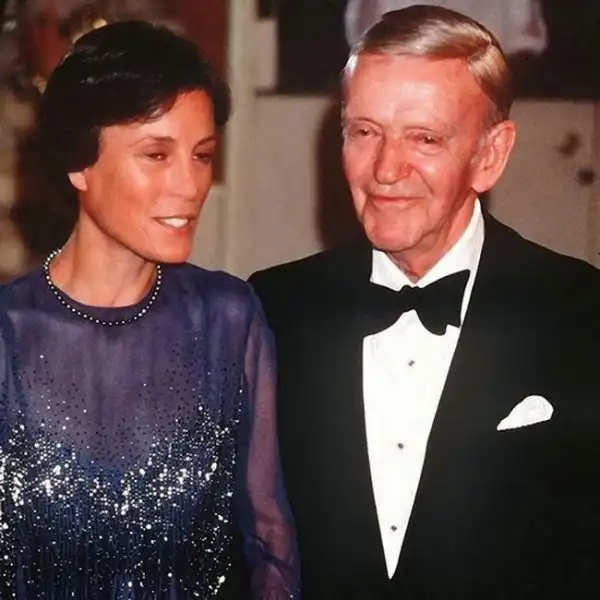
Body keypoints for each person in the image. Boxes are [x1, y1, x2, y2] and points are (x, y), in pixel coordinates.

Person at [249, 5, 600, 599]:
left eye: (425, 138)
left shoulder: (581, 314)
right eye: (365, 132)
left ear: (490, 155)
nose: (386, 169)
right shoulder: (271, 310)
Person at [0, 20, 299, 600]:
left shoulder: (227, 320)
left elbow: (270, 542)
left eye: (202, 155)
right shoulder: (8, 338)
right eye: (156, 154)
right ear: (79, 164)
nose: (190, 185)